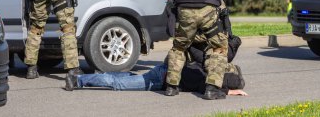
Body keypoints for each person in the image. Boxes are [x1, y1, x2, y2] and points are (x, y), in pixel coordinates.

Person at [65, 61, 247, 96]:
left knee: (128, 78)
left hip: (165, 70)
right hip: (161, 79)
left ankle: (97, 77)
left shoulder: (206, 67)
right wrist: (228, 91)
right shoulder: (205, 81)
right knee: (120, 84)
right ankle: (78, 80)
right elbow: (203, 88)